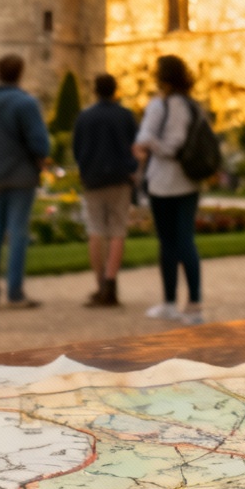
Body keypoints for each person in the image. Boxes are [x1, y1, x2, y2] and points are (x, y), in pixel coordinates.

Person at [0, 54, 50, 309]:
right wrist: (40, 158)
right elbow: (39, 142)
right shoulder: (25, 103)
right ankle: (15, 292)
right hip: (22, 175)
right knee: (18, 232)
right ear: (20, 73)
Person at [134, 55, 203, 325]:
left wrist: (151, 143)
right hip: (188, 180)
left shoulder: (160, 105)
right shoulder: (192, 105)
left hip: (163, 181)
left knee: (170, 242)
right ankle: (192, 303)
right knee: (184, 241)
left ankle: (172, 303)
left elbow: (154, 141)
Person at [72, 73, 138, 307]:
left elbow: (77, 150)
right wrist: (132, 168)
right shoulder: (125, 116)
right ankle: (111, 282)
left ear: (95, 90)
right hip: (119, 178)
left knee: (96, 231)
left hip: (93, 179)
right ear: (115, 90)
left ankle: (100, 284)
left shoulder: (85, 117)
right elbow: (135, 146)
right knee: (117, 231)